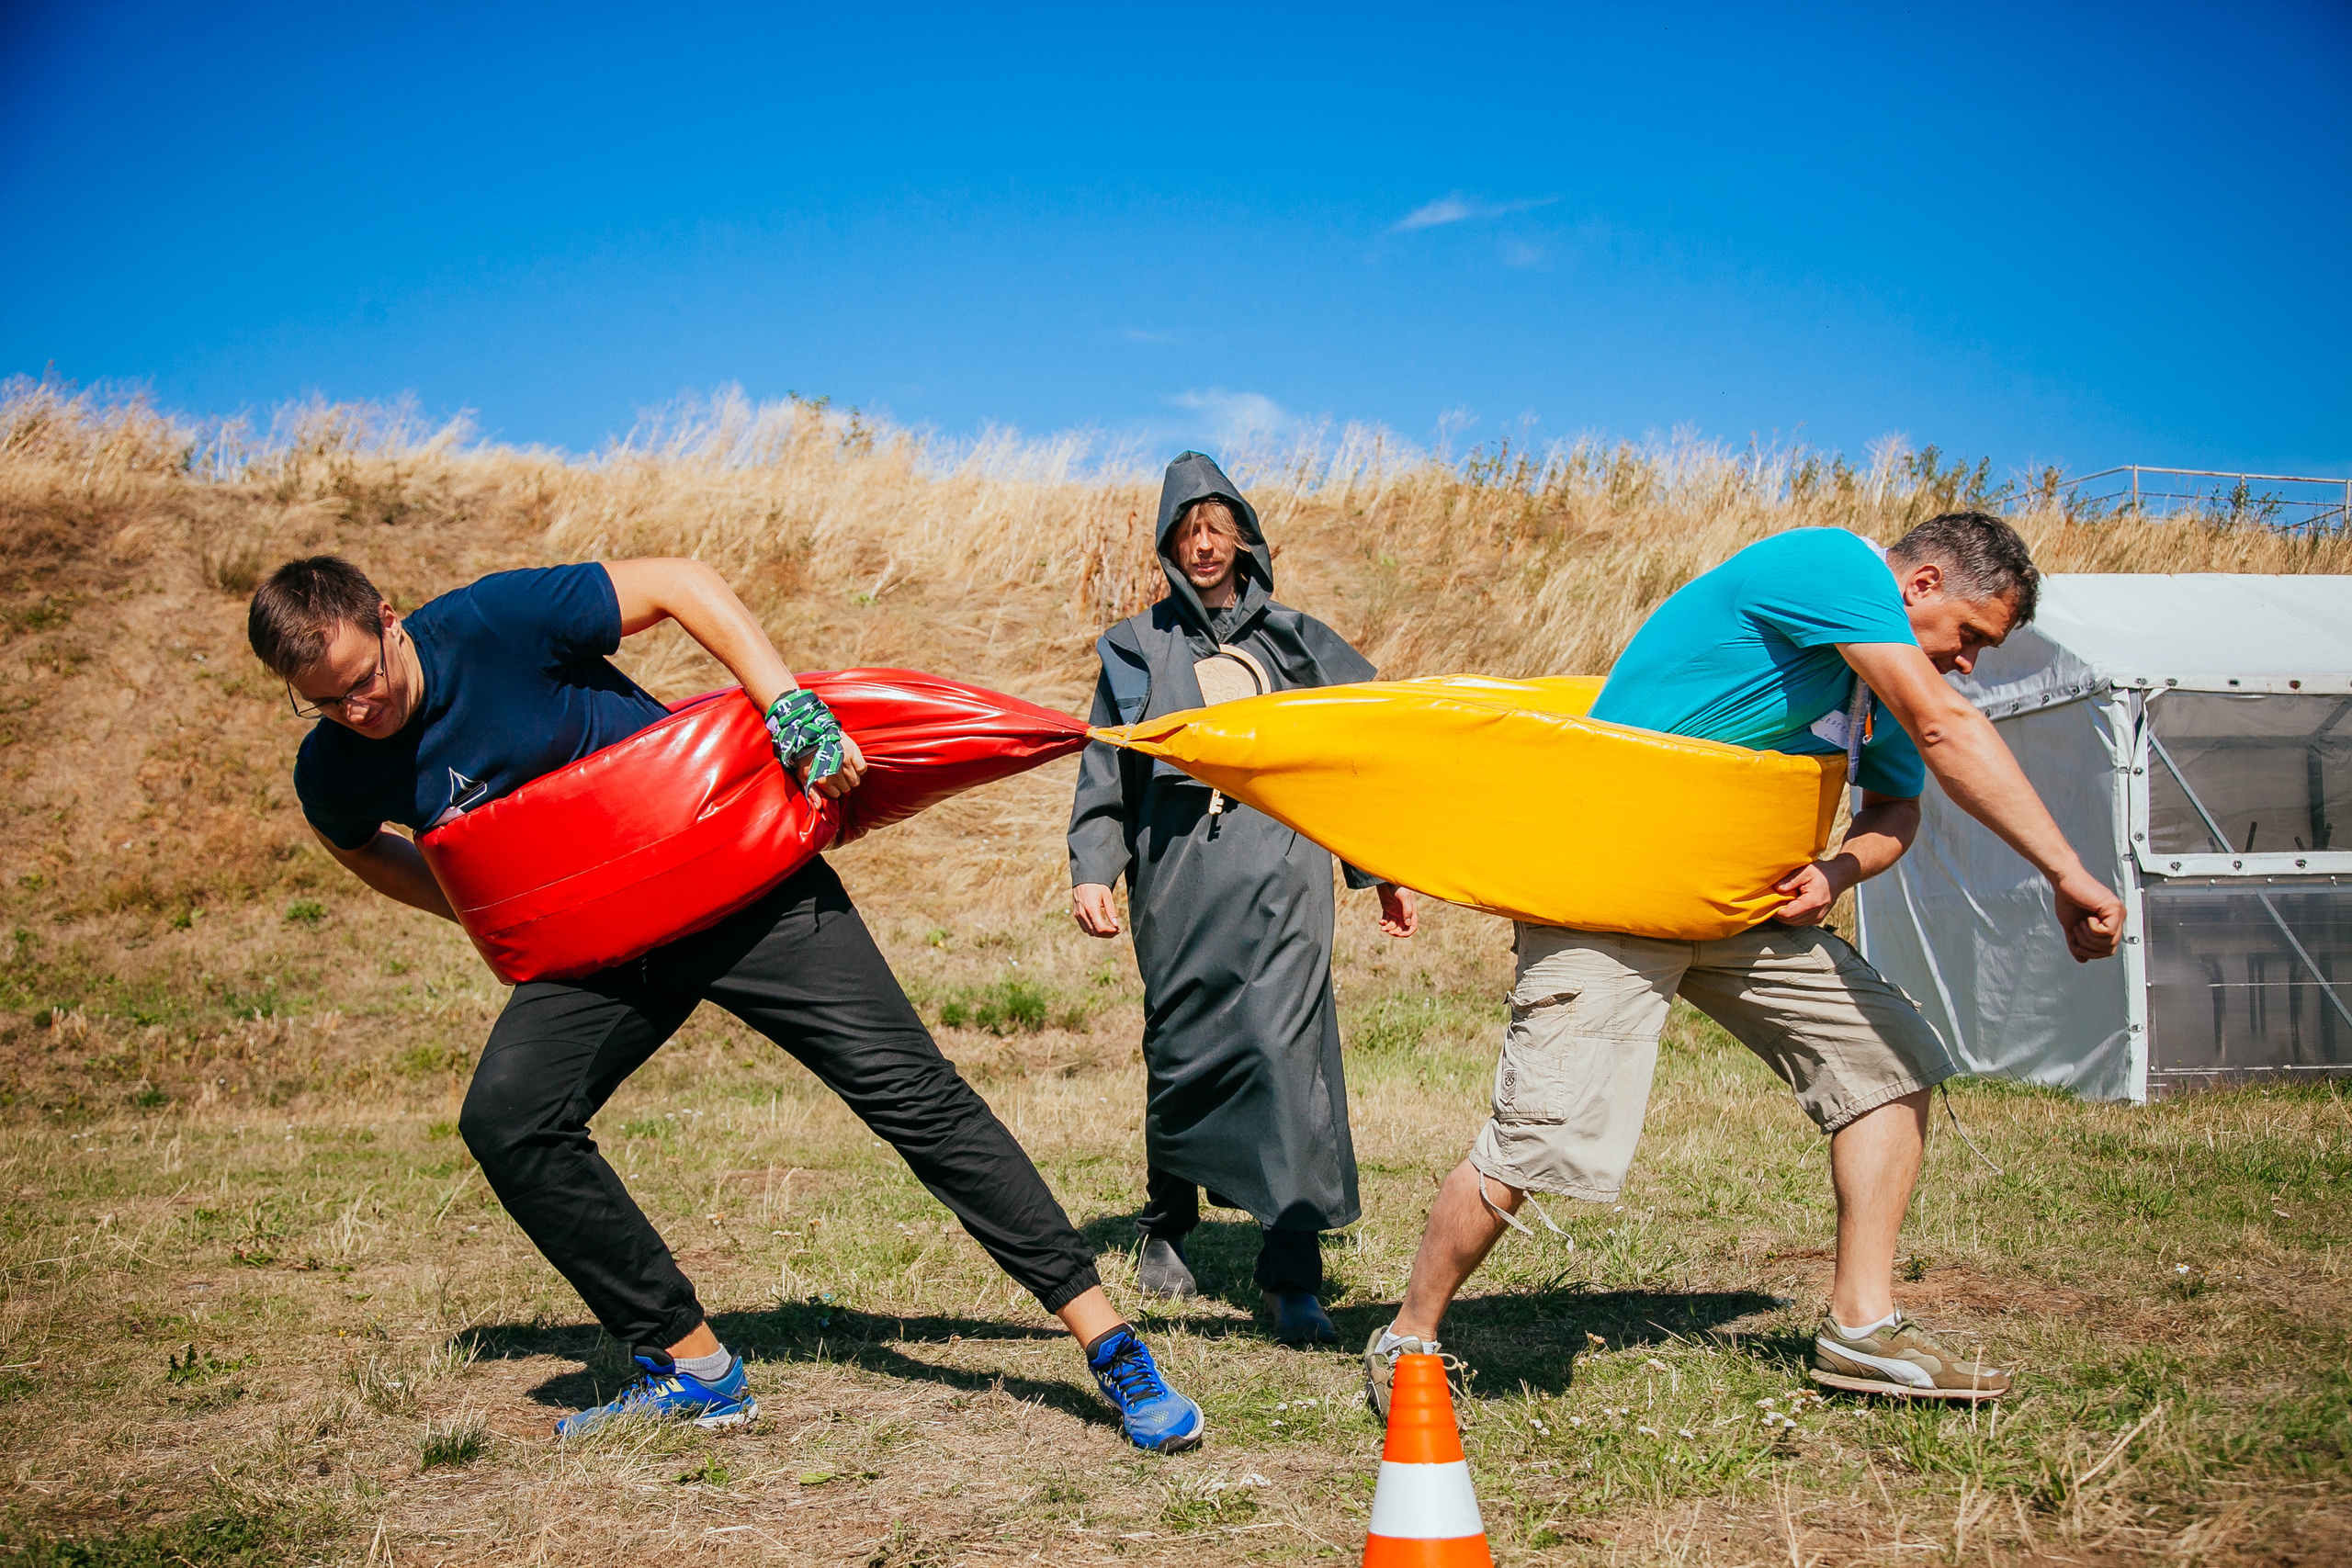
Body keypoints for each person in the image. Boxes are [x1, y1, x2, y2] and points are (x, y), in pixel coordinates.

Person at [246, 554, 1205, 1452]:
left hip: (739, 883)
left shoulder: (493, 622)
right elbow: (356, 842)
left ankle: (1108, 1342)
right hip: (600, 948)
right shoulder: (336, 762)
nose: (357, 707)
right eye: (324, 700)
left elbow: (679, 582)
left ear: (386, 619)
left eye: (362, 677)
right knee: (510, 1121)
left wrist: (785, 705)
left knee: (912, 1096)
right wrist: (484, 909)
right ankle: (692, 1362)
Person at [1360, 513, 2126, 1412]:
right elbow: (1947, 728)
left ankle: (1861, 1328)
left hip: (1741, 909)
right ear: (1918, 586)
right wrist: (2066, 872)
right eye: (1968, 637)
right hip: (1607, 900)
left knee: (1887, 1064)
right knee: (1542, 1136)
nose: (1967, 664)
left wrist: (1837, 868)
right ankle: (1408, 1336)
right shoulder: (1831, 565)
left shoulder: (1871, 684)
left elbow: (1893, 813)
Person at [1069, 451, 1418, 1347]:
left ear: (1245, 541)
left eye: (1217, 530)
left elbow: (1361, 759)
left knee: (1286, 1052)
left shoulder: (1299, 642)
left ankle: (1290, 1270)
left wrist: (1380, 869)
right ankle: (1166, 1224)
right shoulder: (1134, 647)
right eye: (1188, 533)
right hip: (1177, 880)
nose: (1203, 547)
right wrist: (1091, 867)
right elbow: (1107, 764)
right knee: (1181, 1046)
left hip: (1283, 876)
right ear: (1168, 546)